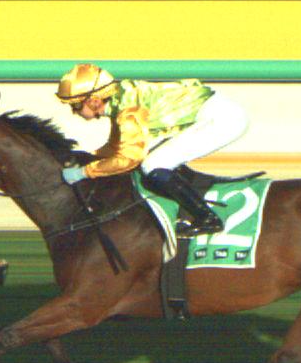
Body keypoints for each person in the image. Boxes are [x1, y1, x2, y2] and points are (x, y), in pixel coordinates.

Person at [59, 64, 248, 240]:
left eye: (76, 105)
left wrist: (84, 172)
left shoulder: (128, 112)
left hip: (222, 119)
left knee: (153, 164)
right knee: (155, 158)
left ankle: (208, 220)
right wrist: (86, 158)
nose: (74, 112)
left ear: (93, 101)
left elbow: (129, 159)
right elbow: (116, 147)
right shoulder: (120, 99)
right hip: (214, 111)